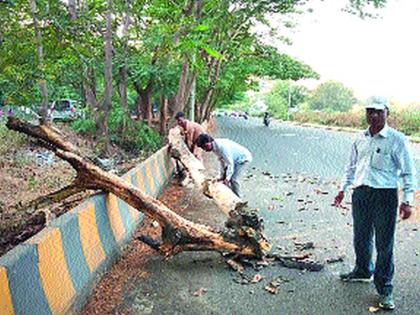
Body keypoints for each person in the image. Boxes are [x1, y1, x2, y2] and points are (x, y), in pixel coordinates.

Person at [333, 95, 417, 310]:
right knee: (360, 237)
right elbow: (351, 168)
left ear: (387, 113)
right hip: (361, 194)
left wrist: (407, 201)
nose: (374, 115)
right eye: (370, 111)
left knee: (384, 244)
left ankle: (385, 288)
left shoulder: (397, 139)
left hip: (385, 197)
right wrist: (343, 189)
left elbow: (408, 173)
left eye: (379, 111)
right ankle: (362, 270)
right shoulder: (359, 138)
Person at [195, 133, 252, 198]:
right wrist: (222, 176)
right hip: (233, 159)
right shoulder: (214, 147)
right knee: (225, 178)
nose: (205, 149)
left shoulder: (221, 147)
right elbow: (222, 162)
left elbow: (230, 163)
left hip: (243, 158)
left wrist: (227, 179)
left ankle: (238, 199)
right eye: (203, 148)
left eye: (205, 146)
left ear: (210, 141)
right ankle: (231, 196)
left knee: (234, 180)